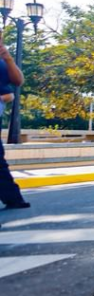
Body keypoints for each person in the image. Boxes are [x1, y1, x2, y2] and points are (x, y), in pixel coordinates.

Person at [0, 44, 30, 212]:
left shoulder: (2, 61)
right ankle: (13, 197)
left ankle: (13, 197)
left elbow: (18, 80)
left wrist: (7, 57)